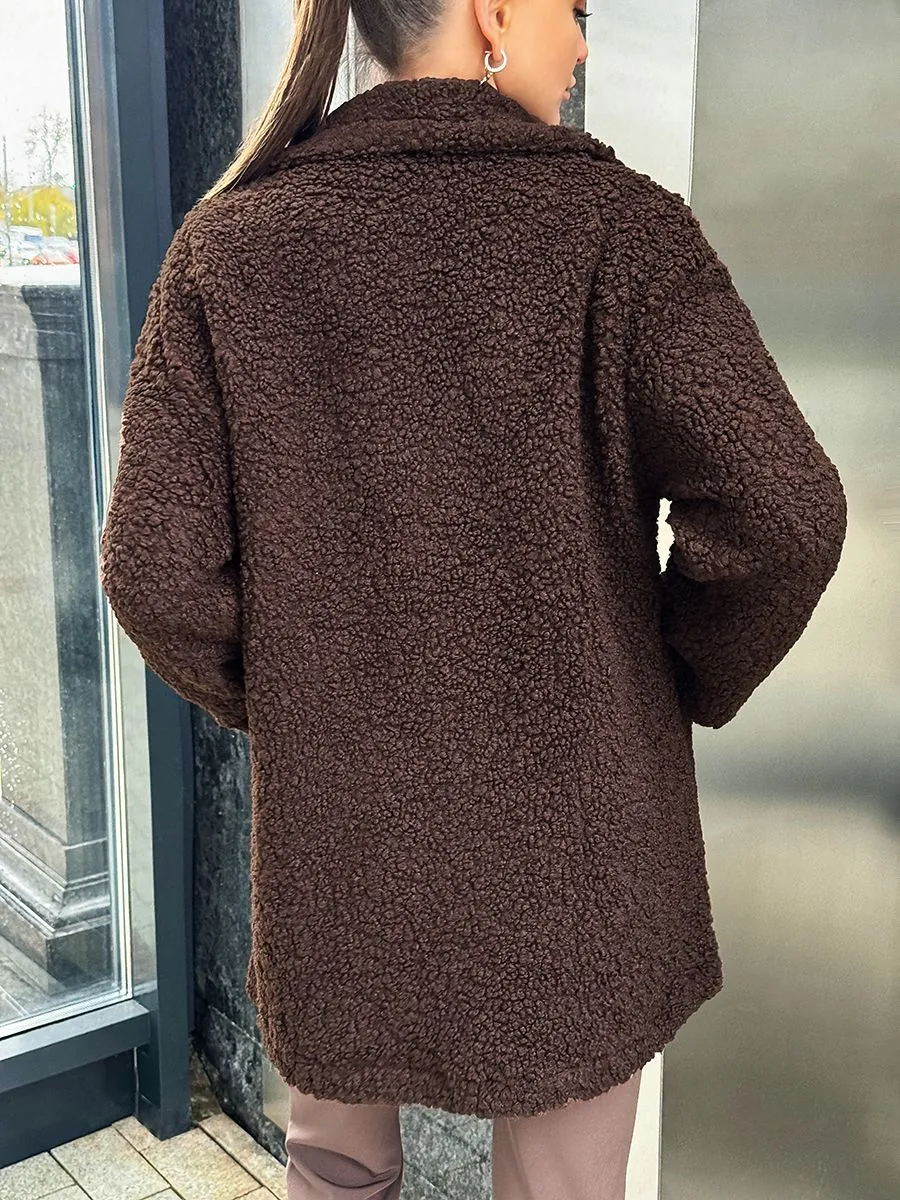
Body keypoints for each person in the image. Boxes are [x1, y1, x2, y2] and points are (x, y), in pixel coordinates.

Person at [98, 1, 848, 1197]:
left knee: (332, 1171)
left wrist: (306, 691)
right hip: (578, 861)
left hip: (346, 853)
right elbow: (788, 510)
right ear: (495, 11)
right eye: (576, 9)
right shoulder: (620, 232)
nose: (585, 44)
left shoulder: (232, 247)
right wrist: (665, 677)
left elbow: (153, 568)